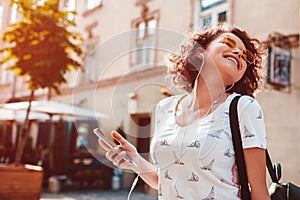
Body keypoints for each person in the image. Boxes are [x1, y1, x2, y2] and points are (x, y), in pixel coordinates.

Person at [98, 23, 270, 199]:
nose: (238, 53)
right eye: (229, 43)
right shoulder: (165, 109)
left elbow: (258, 190)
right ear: (200, 51)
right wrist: (135, 160)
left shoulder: (243, 108)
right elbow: (165, 180)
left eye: (245, 56)